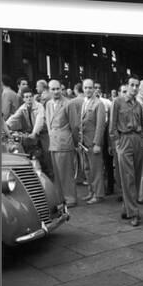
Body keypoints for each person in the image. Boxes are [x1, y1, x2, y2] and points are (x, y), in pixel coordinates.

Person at [110, 75, 143, 226]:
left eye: (137, 85)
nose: (135, 88)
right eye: (132, 85)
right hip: (124, 140)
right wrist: (117, 143)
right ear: (127, 85)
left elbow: (142, 124)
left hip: (137, 139)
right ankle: (133, 213)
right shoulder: (117, 102)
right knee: (128, 177)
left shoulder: (138, 104)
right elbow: (112, 126)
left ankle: (126, 208)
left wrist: (142, 138)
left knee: (135, 177)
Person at [45, 79, 79, 207]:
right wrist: (50, 134)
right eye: (52, 89)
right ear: (49, 90)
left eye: (57, 88)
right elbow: (48, 121)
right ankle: (60, 198)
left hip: (65, 142)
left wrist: (75, 142)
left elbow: (74, 125)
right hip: (53, 142)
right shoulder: (48, 104)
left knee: (66, 173)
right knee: (57, 173)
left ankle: (70, 198)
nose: (55, 91)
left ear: (61, 89)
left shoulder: (68, 103)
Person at [73, 79, 106, 204]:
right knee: (87, 169)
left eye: (90, 87)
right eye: (86, 87)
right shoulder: (84, 103)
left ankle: (98, 195)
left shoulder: (99, 104)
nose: (88, 90)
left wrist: (97, 143)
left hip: (93, 143)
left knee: (96, 170)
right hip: (84, 143)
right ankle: (91, 192)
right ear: (83, 88)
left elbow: (100, 125)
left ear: (94, 89)